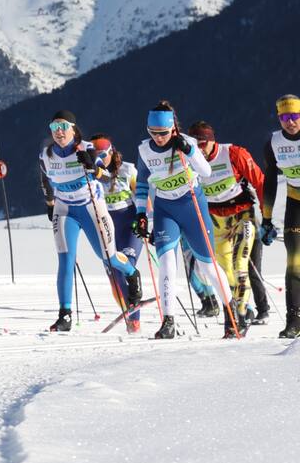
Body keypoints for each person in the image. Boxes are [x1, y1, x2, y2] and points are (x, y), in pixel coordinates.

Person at [38, 111, 141, 333]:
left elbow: (106, 177)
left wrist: (93, 168)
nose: (59, 132)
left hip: (91, 207)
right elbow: (45, 180)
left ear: (73, 129)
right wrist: (49, 204)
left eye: (63, 127)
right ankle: (64, 315)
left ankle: (132, 274)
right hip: (64, 209)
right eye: (54, 127)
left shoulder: (86, 148)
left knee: (108, 256)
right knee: (66, 260)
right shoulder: (46, 155)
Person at [134, 101, 228, 340]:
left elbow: (206, 172)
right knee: (166, 262)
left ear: (173, 129)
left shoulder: (187, 142)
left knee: (207, 265)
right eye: (152, 133)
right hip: (166, 209)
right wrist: (141, 214)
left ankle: (231, 312)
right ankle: (168, 321)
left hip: (192, 206)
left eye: (163, 133)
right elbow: (143, 184)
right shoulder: (144, 150)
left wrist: (190, 151)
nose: (158, 138)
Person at [186, 120, 265, 336]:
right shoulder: (189, 161)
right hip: (215, 220)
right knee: (223, 272)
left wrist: (266, 218)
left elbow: (260, 182)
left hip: (241, 215)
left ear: (212, 141)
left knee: (240, 265)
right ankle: (245, 310)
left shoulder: (233, 153)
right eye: (196, 145)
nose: (199, 150)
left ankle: (238, 316)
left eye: (203, 144)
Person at [90, 133, 145, 331]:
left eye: (103, 155)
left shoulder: (128, 170)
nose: (99, 159)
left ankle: (135, 317)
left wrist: (144, 218)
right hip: (105, 225)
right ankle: (128, 311)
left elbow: (141, 196)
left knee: (127, 265)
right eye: (95, 155)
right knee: (114, 274)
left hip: (128, 222)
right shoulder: (90, 173)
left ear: (112, 153)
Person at [262, 95, 300, 338]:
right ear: (279, 118)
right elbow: (271, 181)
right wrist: (266, 218)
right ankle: (294, 321)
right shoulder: (273, 143)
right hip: (295, 203)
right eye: (285, 117)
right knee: (294, 263)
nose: (291, 122)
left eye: (295, 116)